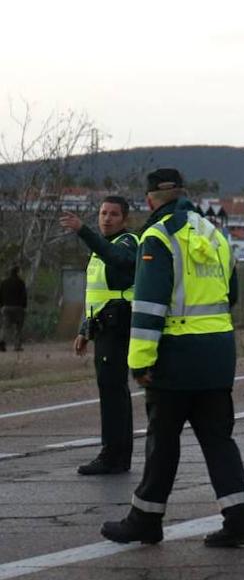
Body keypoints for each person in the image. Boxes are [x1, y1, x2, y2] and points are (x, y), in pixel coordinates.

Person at [101, 169, 244, 548]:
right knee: (219, 441)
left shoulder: (157, 235)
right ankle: (240, 521)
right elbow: (230, 294)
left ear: (151, 199)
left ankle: (145, 520)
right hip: (218, 355)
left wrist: (139, 362)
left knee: (162, 441)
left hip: (175, 359)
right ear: (185, 194)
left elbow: (150, 306)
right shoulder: (215, 233)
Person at [59, 198, 139, 475]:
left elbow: (119, 260)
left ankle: (114, 455)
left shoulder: (128, 242)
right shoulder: (99, 251)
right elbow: (96, 295)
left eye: (114, 214)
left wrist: (83, 230)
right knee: (110, 389)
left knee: (113, 390)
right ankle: (116, 454)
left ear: (124, 219)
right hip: (103, 325)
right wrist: (85, 330)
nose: (107, 219)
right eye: (103, 213)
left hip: (119, 325)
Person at [0, 265, 27, 352]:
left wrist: (1, 306)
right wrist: (24, 306)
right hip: (18, 307)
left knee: (5, 327)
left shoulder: (4, 282)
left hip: (6, 307)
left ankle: (2, 344)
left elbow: (0, 295)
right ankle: (17, 346)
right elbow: (24, 296)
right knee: (18, 327)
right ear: (17, 272)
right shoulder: (21, 282)